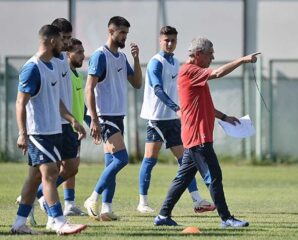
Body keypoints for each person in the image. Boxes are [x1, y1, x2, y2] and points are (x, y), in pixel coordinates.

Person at [153, 37, 259, 228]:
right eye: (210, 53)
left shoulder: (195, 74)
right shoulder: (190, 70)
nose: (213, 57)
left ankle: (162, 216)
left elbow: (204, 105)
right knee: (214, 176)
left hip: (195, 137)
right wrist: (242, 60)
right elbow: (218, 73)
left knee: (182, 179)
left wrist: (224, 117)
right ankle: (226, 219)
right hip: (198, 137)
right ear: (198, 54)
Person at [11, 24, 87, 235]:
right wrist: (23, 133)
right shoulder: (32, 68)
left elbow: (57, 102)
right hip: (38, 134)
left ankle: (18, 223)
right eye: (62, 41)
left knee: (35, 177)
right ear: (52, 41)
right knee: (51, 174)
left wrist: (72, 120)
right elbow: (20, 102)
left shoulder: (52, 66)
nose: (65, 44)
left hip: (53, 131)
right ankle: (59, 221)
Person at [137, 26, 214, 214]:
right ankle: (142, 202)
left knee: (185, 160)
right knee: (150, 159)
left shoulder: (176, 62)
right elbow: (157, 90)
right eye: (166, 40)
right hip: (157, 119)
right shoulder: (156, 62)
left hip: (172, 119)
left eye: (173, 40)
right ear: (160, 40)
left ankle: (197, 200)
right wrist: (177, 108)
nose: (170, 43)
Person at [84, 16, 142, 221]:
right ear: (111, 31)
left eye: (126, 33)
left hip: (118, 116)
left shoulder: (121, 57)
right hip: (104, 116)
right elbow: (89, 88)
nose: (125, 37)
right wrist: (93, 119)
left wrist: (135, 58)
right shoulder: (100, 55)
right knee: (122, 159)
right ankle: (92, 198)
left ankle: (106, 209)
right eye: (122, 33)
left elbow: (137, 83)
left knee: (111, 163)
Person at [64, 37, 89, 216]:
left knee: (73, 168)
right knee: (67, 167)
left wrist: (91, 122)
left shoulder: (78, 75)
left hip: (76, 129)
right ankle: (37, 195)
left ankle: (69, 204)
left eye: (83, 51)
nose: (83, 55)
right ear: (68, 54)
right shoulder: (64, 74)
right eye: (79, 52)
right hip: (65, 128)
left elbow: (82, 104)